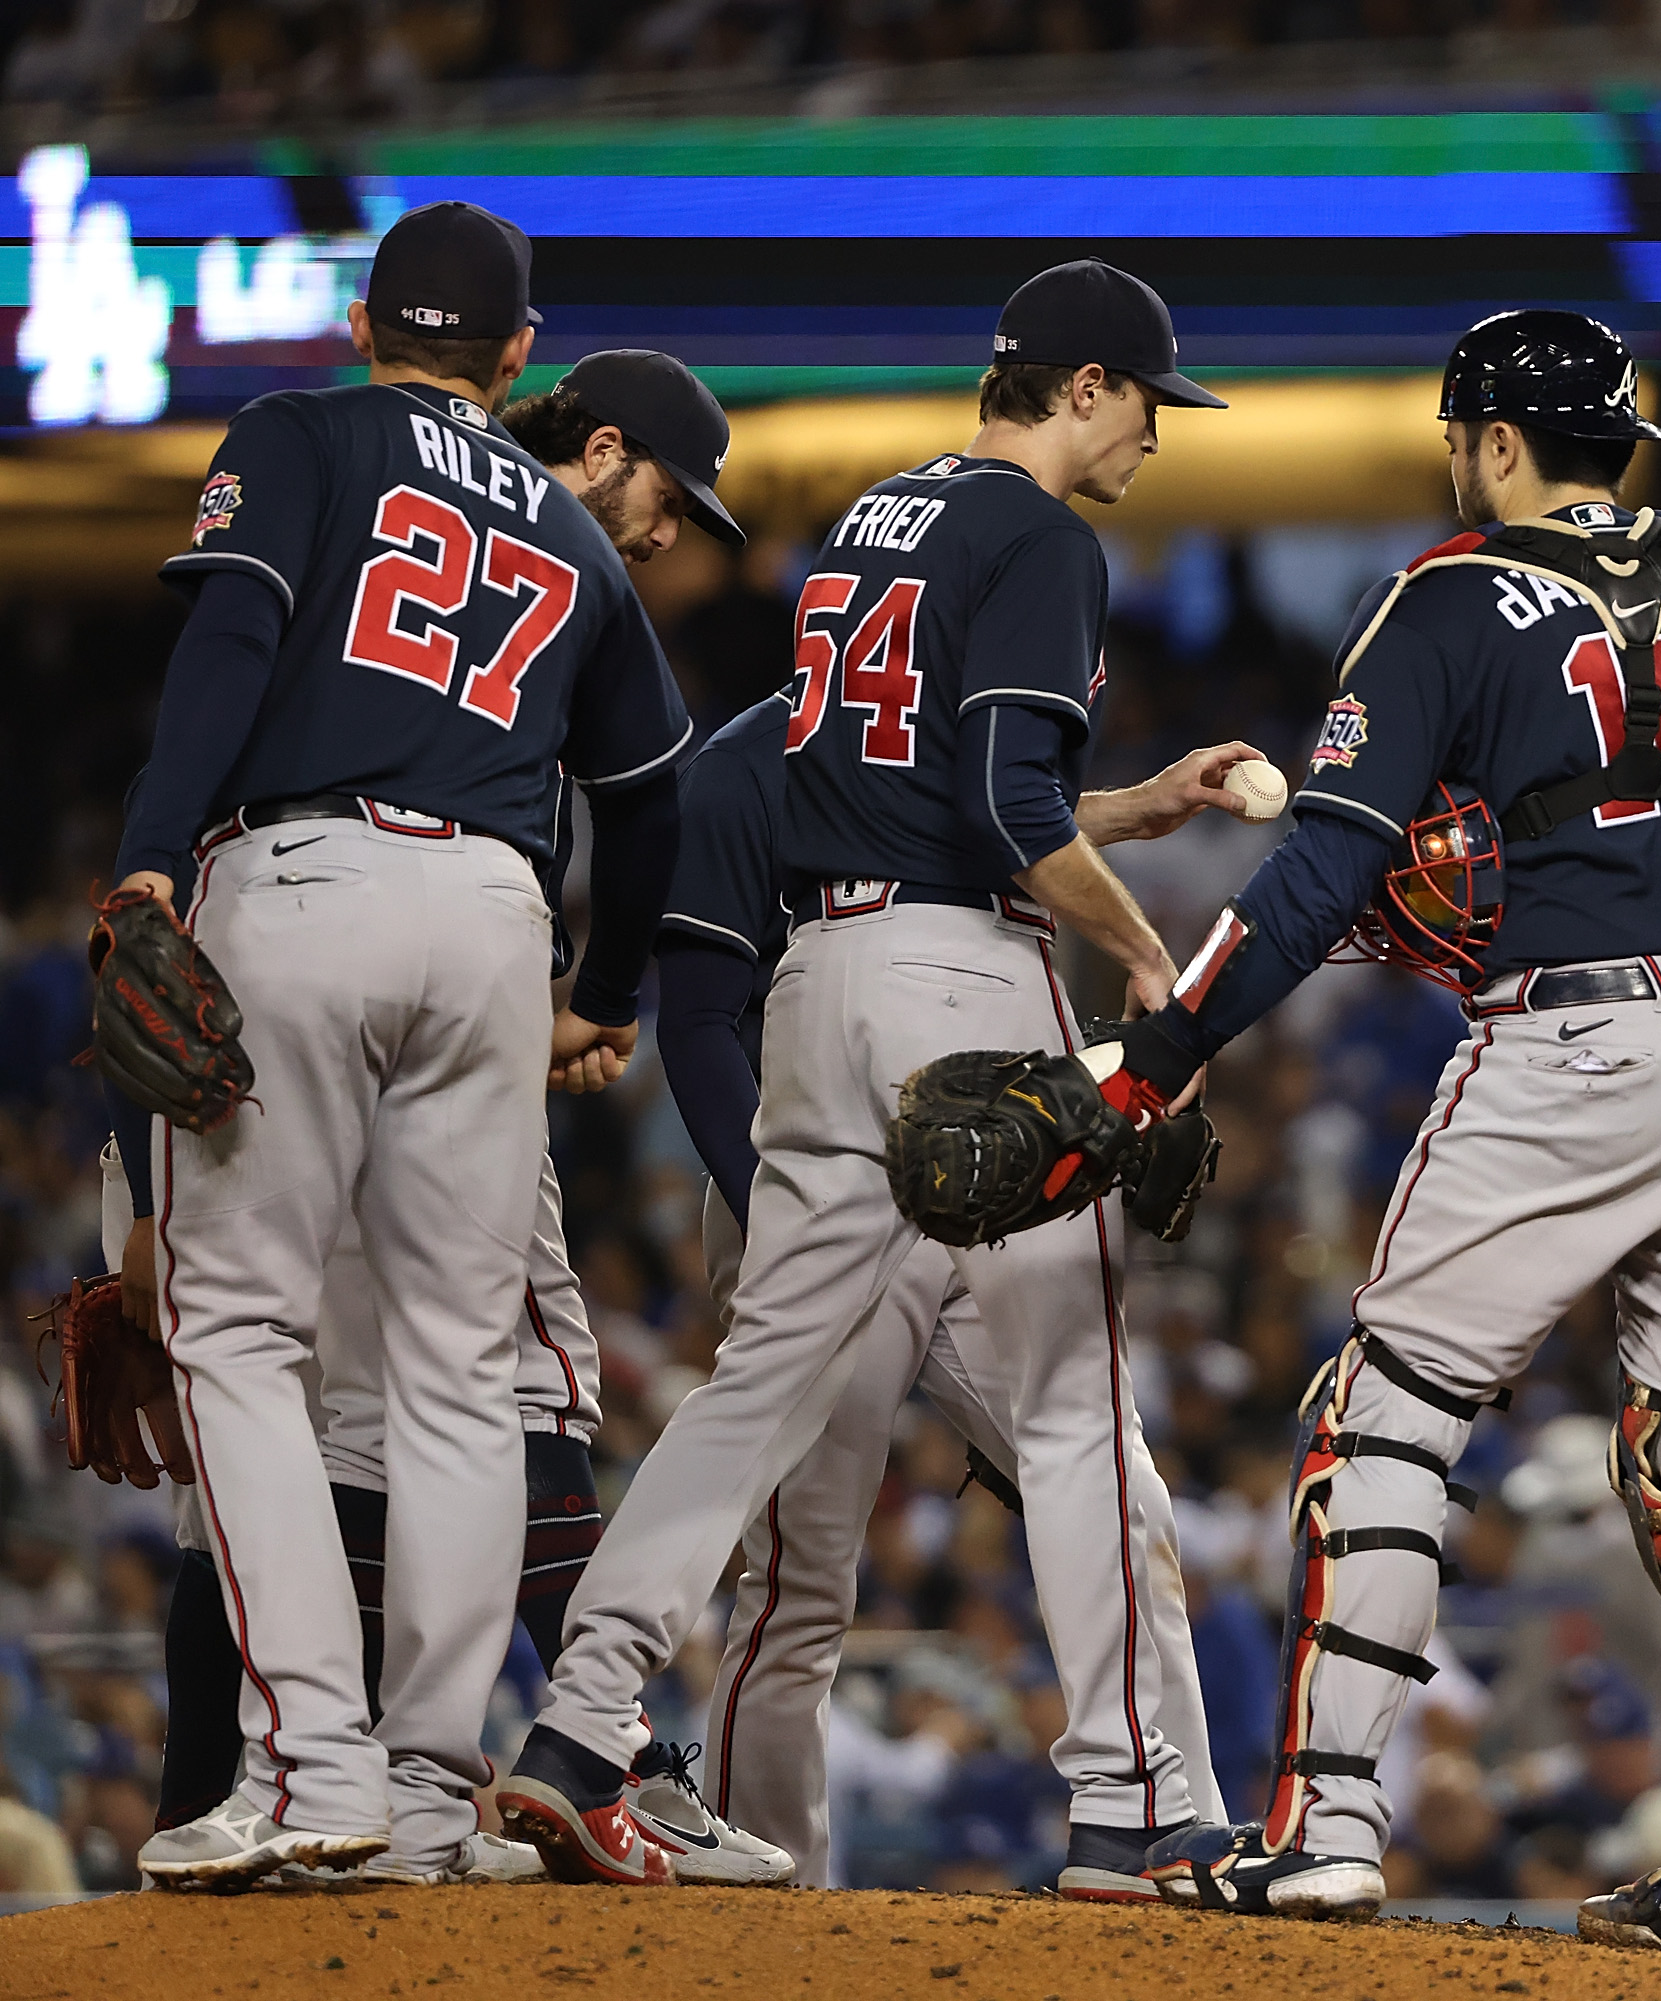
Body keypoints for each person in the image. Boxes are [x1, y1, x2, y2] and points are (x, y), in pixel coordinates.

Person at [1110, 308, 1661, 1957]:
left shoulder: (1448, 592)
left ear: (1486, 440)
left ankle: (1328, 1825)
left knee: (1385, 1411)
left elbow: (1328, 870)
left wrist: (1165, 1047)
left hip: (1574, 1034)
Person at [496, 258, 1239, 1889]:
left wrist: (1126, 812)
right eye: (1149, 406)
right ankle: (1131, 1806)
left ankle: (579, 1722)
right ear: (1088, 387)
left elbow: (897, 786)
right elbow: (1000, 802)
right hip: (961, 977)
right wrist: (1142, 961)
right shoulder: (1045, 535)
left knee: (756, 1388)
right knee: (1074, 1411)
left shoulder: (876, 523)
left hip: (822, 989)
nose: (1155, 443)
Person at [88, 347, 761, 1890]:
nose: (672, 532)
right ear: (592, 442)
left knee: (270, 1388)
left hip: (278, 920)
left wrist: (134, 1167)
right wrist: (591, 993)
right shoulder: (567, 539)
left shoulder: (322, 459)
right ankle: (462, 1776)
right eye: (670, 493)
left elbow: (224, 679)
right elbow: (646, 787)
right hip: (472, 932)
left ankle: (281, 1779)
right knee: (495, 1384)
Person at [643, 662, 1239, 1891]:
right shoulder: (753, 761)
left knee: (1128, 1495)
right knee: (799, 1583)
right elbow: (699, 1019)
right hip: (808, 1184)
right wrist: (785, 1227)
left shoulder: (965, 753)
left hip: (987, 1189)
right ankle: (777, 1895)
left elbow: (1012, 821)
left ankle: (1178, 1835)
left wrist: (1135, 803)